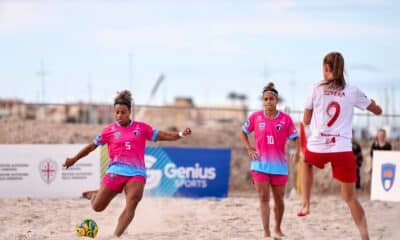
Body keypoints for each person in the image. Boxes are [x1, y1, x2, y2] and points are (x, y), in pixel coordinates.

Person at [63, 90, 192, 237]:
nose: (119, 116)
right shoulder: (108, 131)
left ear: (129, 112)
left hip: (137, 173)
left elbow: (164, 135)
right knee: (97, 207)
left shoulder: (142, 128)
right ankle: (94, 195)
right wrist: (74, 159)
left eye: (123, 112)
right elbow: (91, 147)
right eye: (117, 112)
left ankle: (116, 235)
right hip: (115, 171)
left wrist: (181, 134)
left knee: (132, 202)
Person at [297, 52, 382, 240]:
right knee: (350, 198)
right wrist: (375, 106)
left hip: (318, 146)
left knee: (306, 161)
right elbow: (376, 111)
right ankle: (365, 236)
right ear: (342, 69)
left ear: (326, 68)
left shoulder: (316, 88)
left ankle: (306, 204)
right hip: (342, 149)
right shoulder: (352, 91)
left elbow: (306, 120)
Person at [240, 82, 300, 239]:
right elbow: (243, 132)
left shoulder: (286, 119)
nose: (268, 102)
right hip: (259, 165)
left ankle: (277, 229)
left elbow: (296, 138)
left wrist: (298, 152)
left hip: (279, 167)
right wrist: (249, 148)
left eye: (271, 99)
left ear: (277, 100)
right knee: (263, 199)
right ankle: (266, 233)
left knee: (279, 200)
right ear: (262, 101)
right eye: (265, 99)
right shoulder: (255, 117)